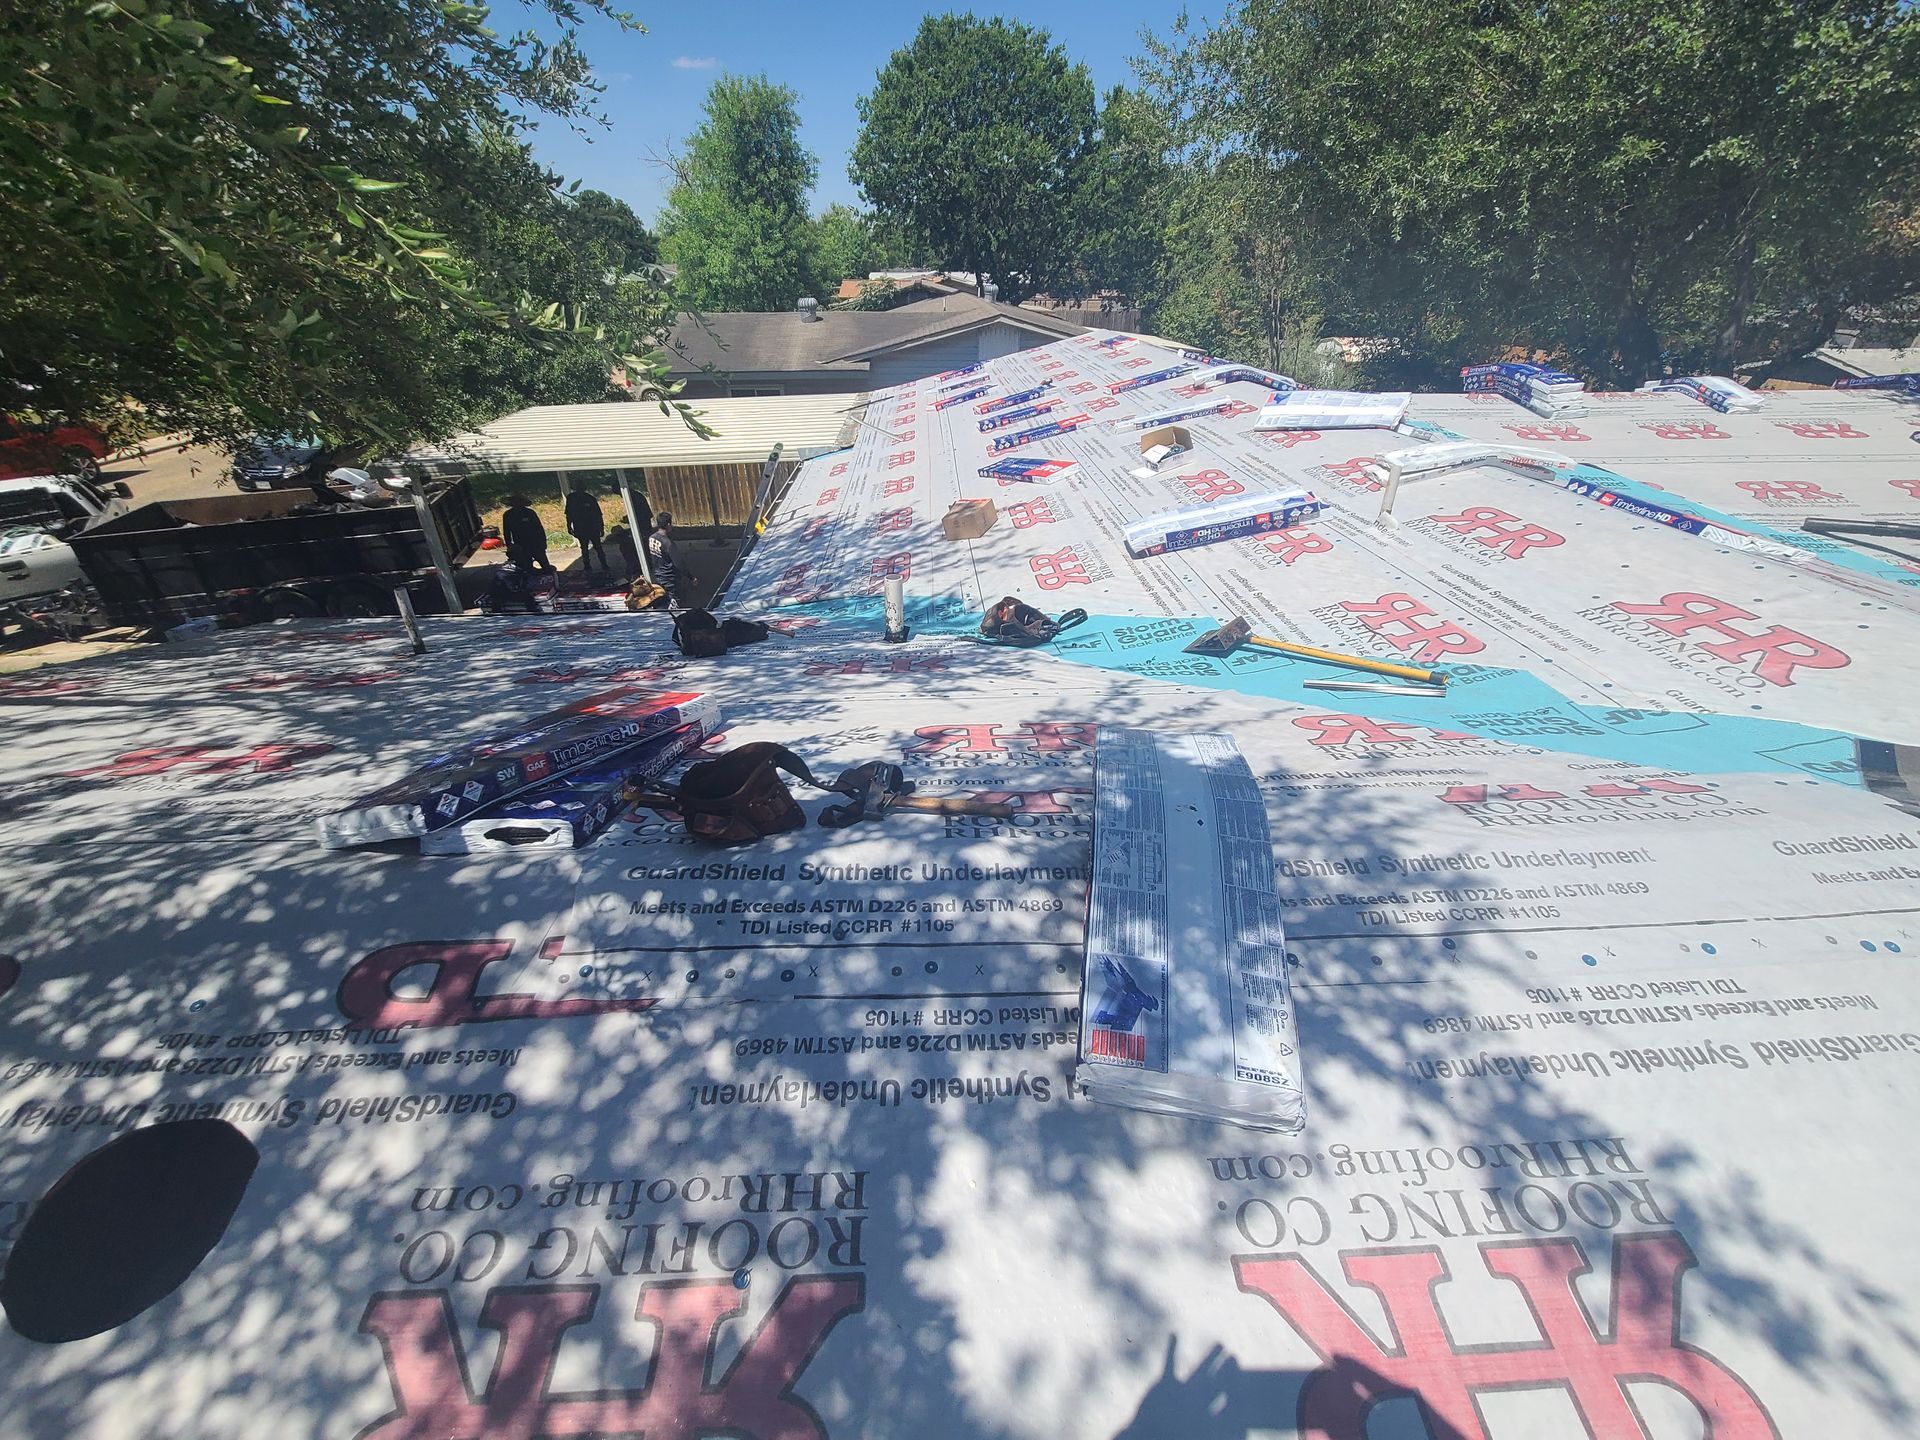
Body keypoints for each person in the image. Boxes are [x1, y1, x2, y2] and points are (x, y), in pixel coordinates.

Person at [500, 494, 553, 574]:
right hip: (520, 545)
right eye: (515, 502)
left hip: (535, 544)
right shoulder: (508, 515)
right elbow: (506, 531)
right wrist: (509, 545)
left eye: (519, 501)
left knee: (546, 566)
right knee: (527, 568)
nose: (517, 503)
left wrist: (543, 542)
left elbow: (539, 529)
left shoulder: (530, 513)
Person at [564, 483, 609, 574]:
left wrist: (601, 528)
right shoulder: (571, 498)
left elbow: (598, 515)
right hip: (581, 527)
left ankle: (604, 564)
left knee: (597, 546)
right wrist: (569, 526)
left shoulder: (590, 499)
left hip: (592, 526)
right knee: (584, 547)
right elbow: (569, 514)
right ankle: (587, 565)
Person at [648, 512, 680, 600]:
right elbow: (678, 563)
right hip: (669, 578)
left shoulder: (651, 538)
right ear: (668, 525)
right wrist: (690, 576)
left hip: (657, 576)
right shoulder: (668, 543)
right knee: (674, 601)